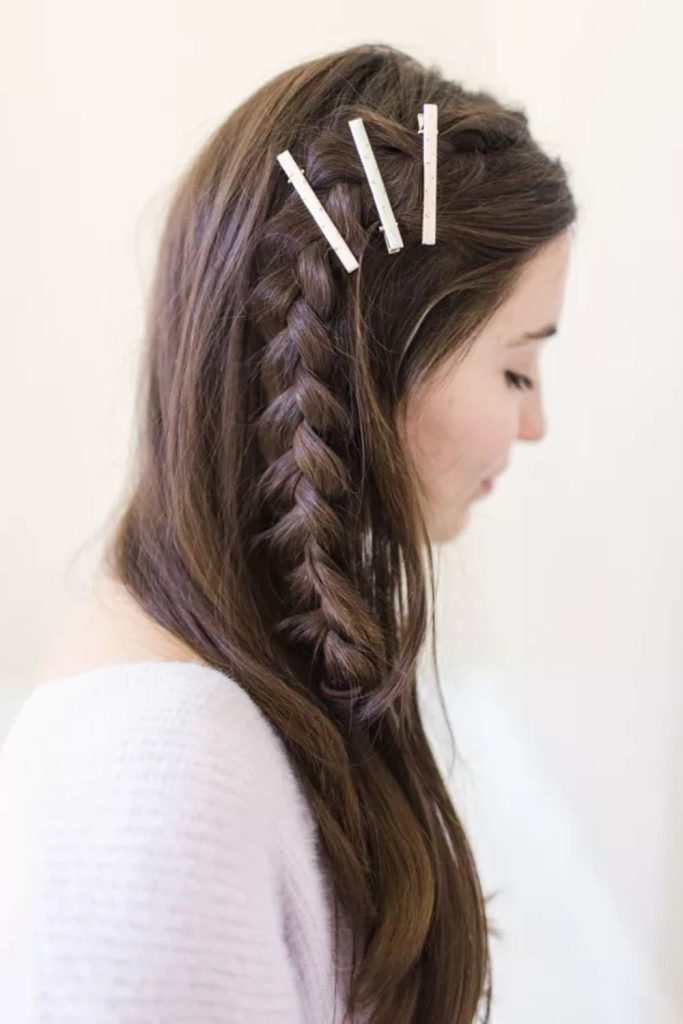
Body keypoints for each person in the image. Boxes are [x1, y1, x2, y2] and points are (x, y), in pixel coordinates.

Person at [0, 42, 576, 1024]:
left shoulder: (219, 713)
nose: (533, 423)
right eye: (515, 369)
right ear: (370, 360)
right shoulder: (159, 775)